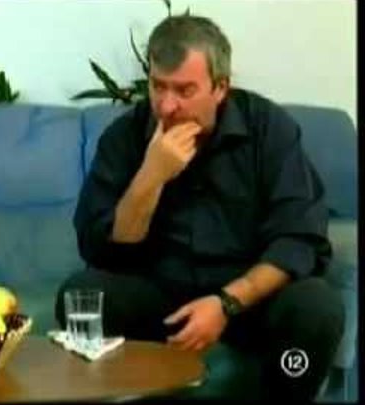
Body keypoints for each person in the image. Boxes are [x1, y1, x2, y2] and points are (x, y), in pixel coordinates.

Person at [55, 15, 344, 400]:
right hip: (159, 297)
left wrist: (226, 304)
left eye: (184, 90)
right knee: (80, 293)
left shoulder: (269, 129)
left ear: (220, 87)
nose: (167, 106)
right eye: (158, 86)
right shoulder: (125, 137)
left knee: (317, 306)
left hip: (247, 297)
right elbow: (99, 247)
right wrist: (151, 176)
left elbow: (299, 238)